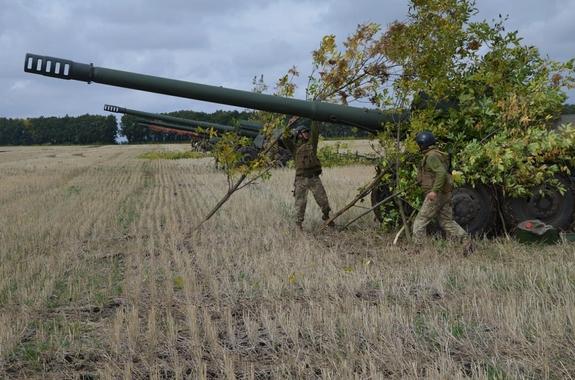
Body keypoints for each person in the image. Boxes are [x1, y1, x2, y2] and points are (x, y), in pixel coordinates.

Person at [412, 131, 469, 245]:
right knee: (446, 221)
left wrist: (434, 191)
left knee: (420, 221)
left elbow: (441, 173)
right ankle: (466, 240)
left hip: (436, 195)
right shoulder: (439, 154)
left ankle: (418, 248)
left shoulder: (431, 156)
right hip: (445, 194)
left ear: (423, 144)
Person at [284, 121, 333, 229]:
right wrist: (290, 124)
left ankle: (327, 217)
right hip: (301, 180)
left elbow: (315, 132)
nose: (307, 133)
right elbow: (285, 138)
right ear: (299, 135)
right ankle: (298, 225)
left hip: (314, 178)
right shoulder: (295, 148)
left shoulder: (312, 145)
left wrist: (315, 119)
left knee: (324, 201)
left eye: (307, 132)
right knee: (300, 205)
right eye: (304, 132)